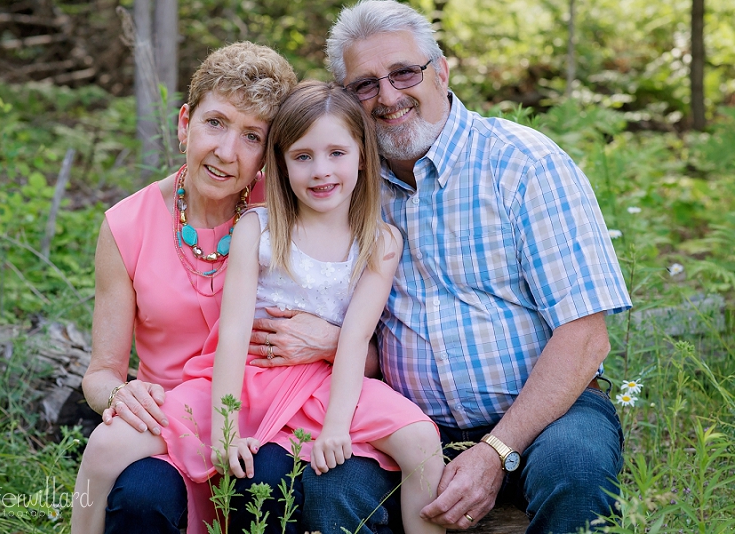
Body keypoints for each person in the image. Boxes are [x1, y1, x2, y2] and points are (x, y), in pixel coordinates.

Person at [247, 1, 633, 533]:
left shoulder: (525, 164)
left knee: (576, 467)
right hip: (407, 421)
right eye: (365, 84)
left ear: (442, 71)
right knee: (332, 484)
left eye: (405, 72)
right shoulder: (342, 183)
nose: (388, 96)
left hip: (547, 416)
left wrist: (495, 450)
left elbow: (586, 336)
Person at [74, 79, 445, 534]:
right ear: (283, 165)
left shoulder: (381, 242)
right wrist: (225, 430)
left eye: (336, 154)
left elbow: (354, 340)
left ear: (363, 155)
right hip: (243, 381)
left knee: (422, 440)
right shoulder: (261, 226)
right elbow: (232, 333)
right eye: (303, 157)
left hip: (321, 385)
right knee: (107, 445)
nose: (320, 170)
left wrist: (336, 425)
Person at [73, 41, 313, 534]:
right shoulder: (126, 225)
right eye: (216, 123)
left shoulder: (291, 212)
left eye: (252, 137)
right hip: (164, 431)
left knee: (266, 485)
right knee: (142, 496)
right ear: (186, 122)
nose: (227, 152)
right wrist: (120, 392)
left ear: (271, 151)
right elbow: (100, 374)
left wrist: (328, 340)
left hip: (264, 424)